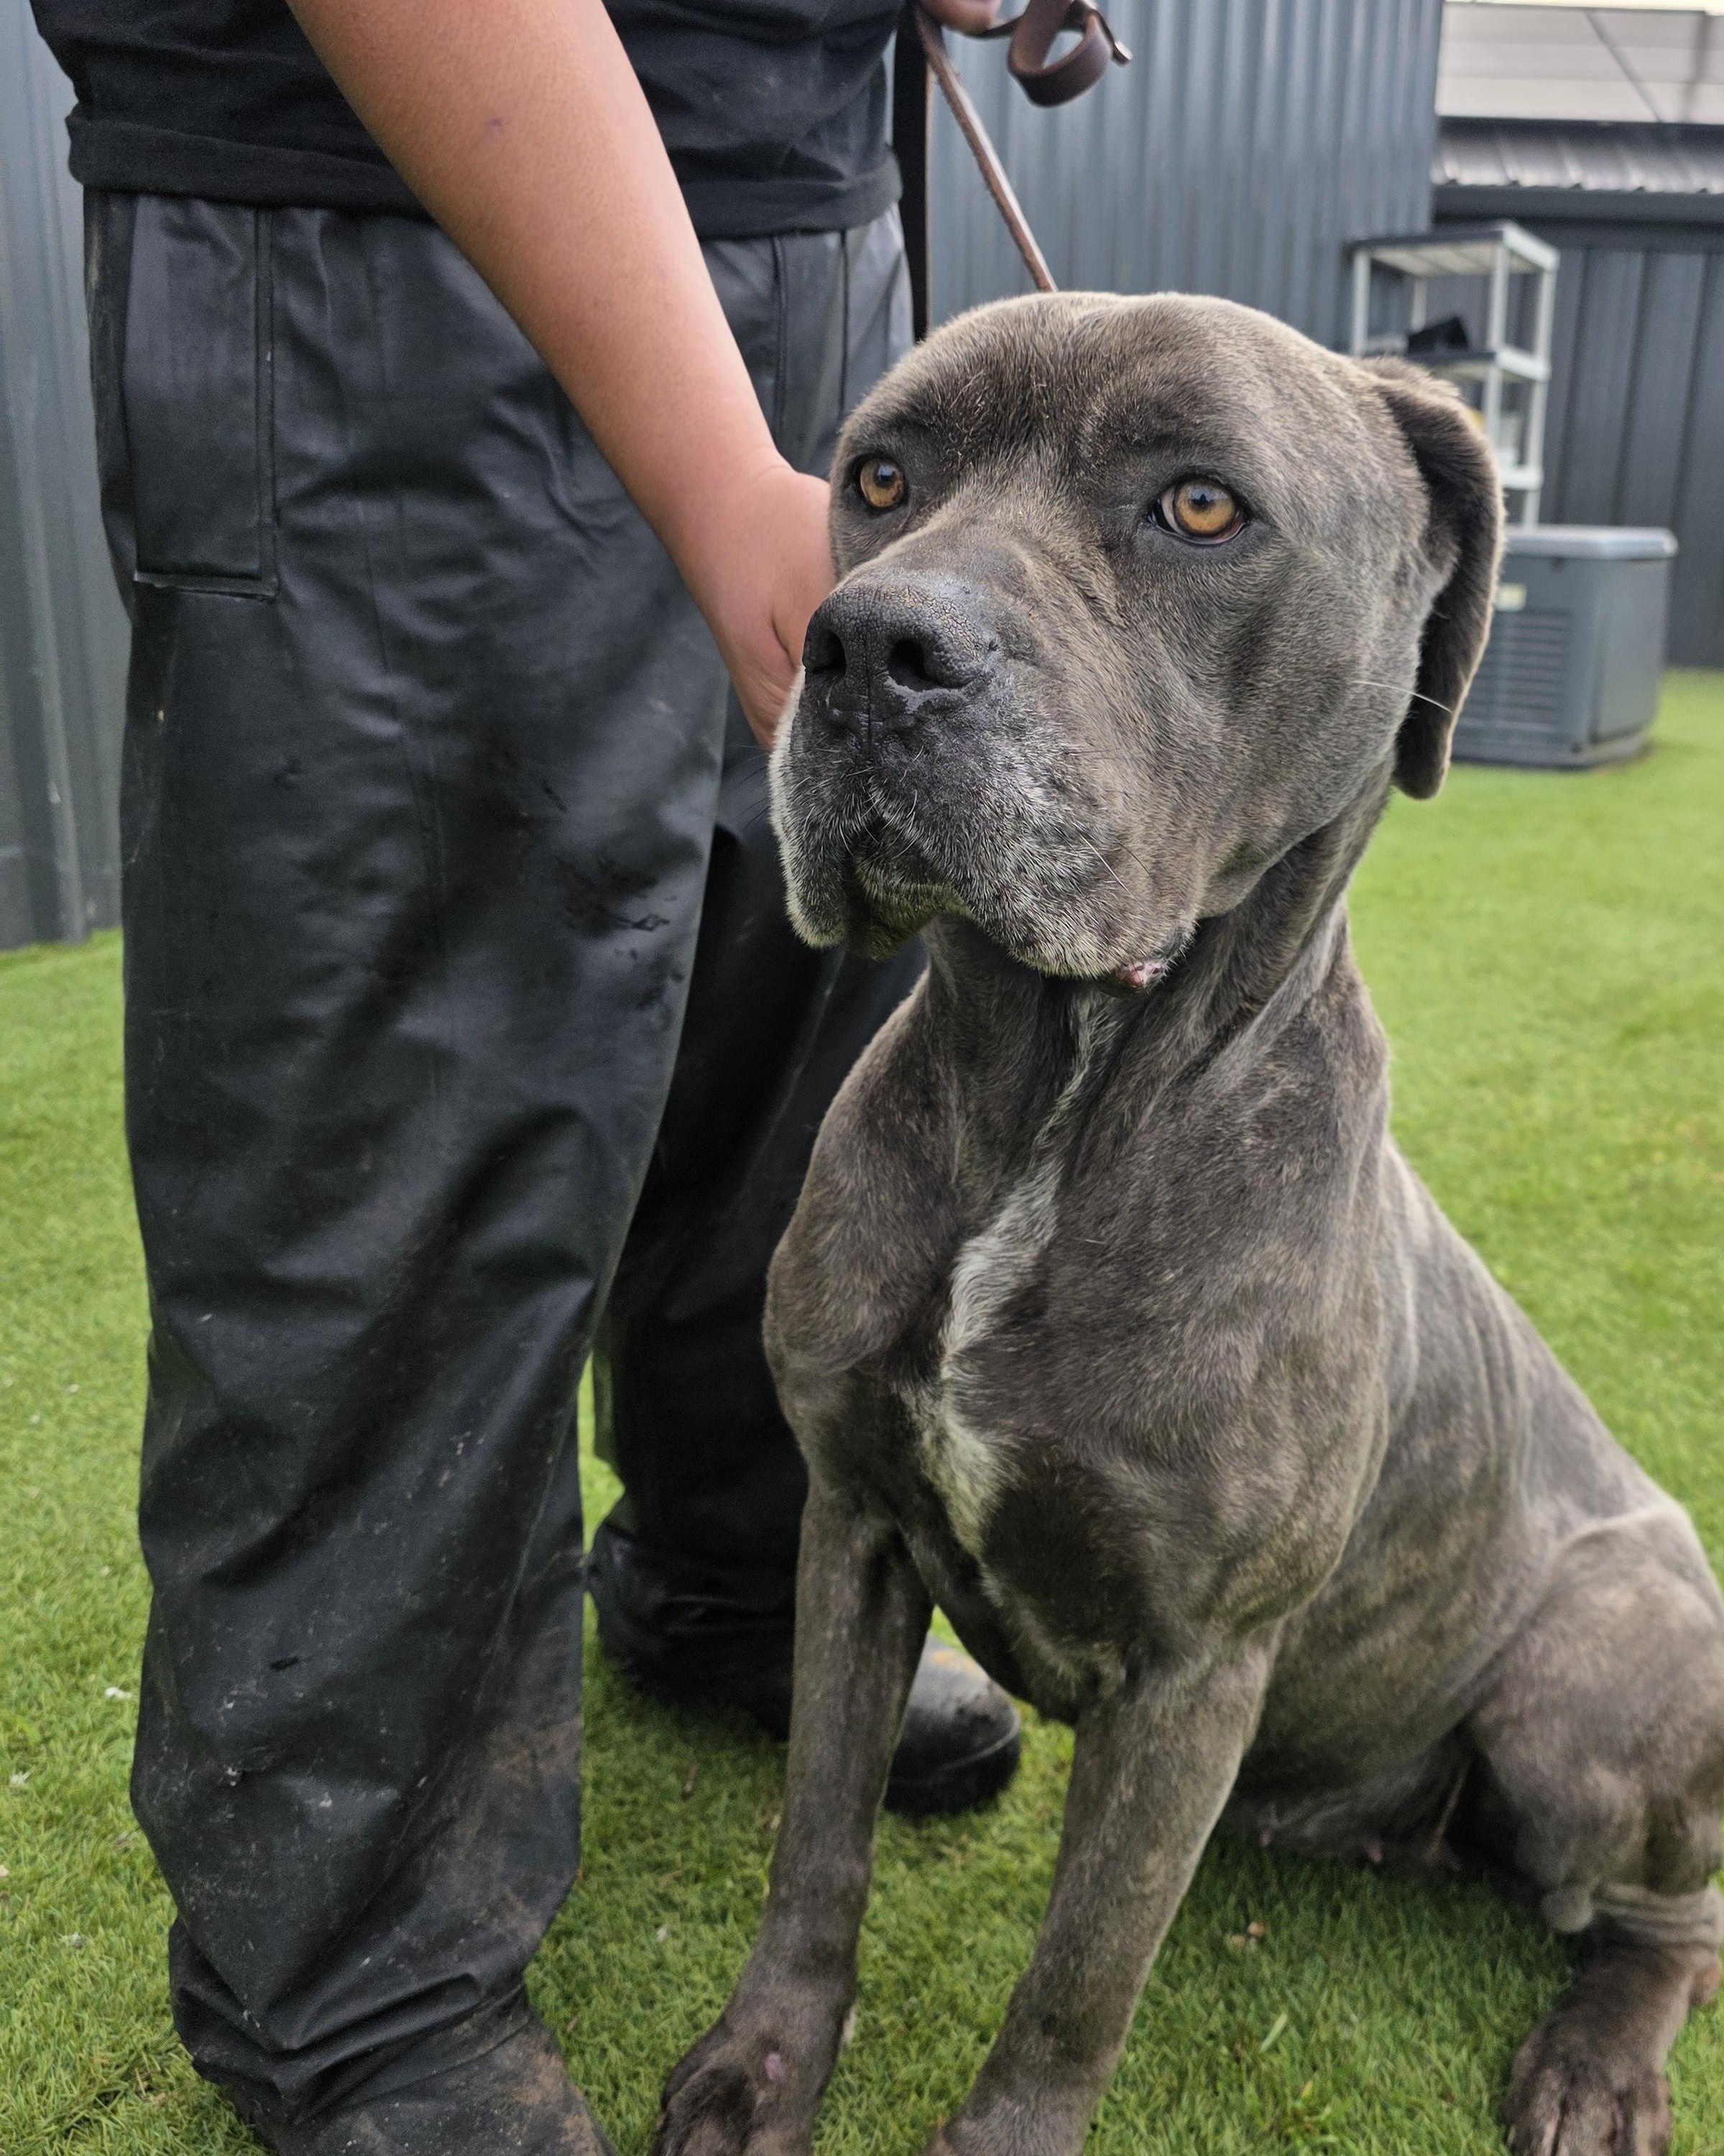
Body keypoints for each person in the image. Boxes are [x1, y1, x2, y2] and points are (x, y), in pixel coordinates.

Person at [27, 1, 1022, 2149]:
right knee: (409, 1113)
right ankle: (351, 1966)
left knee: (796, 1020)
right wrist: (697, 463)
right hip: (402, 222)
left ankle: (731, 1583)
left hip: (791, 210)